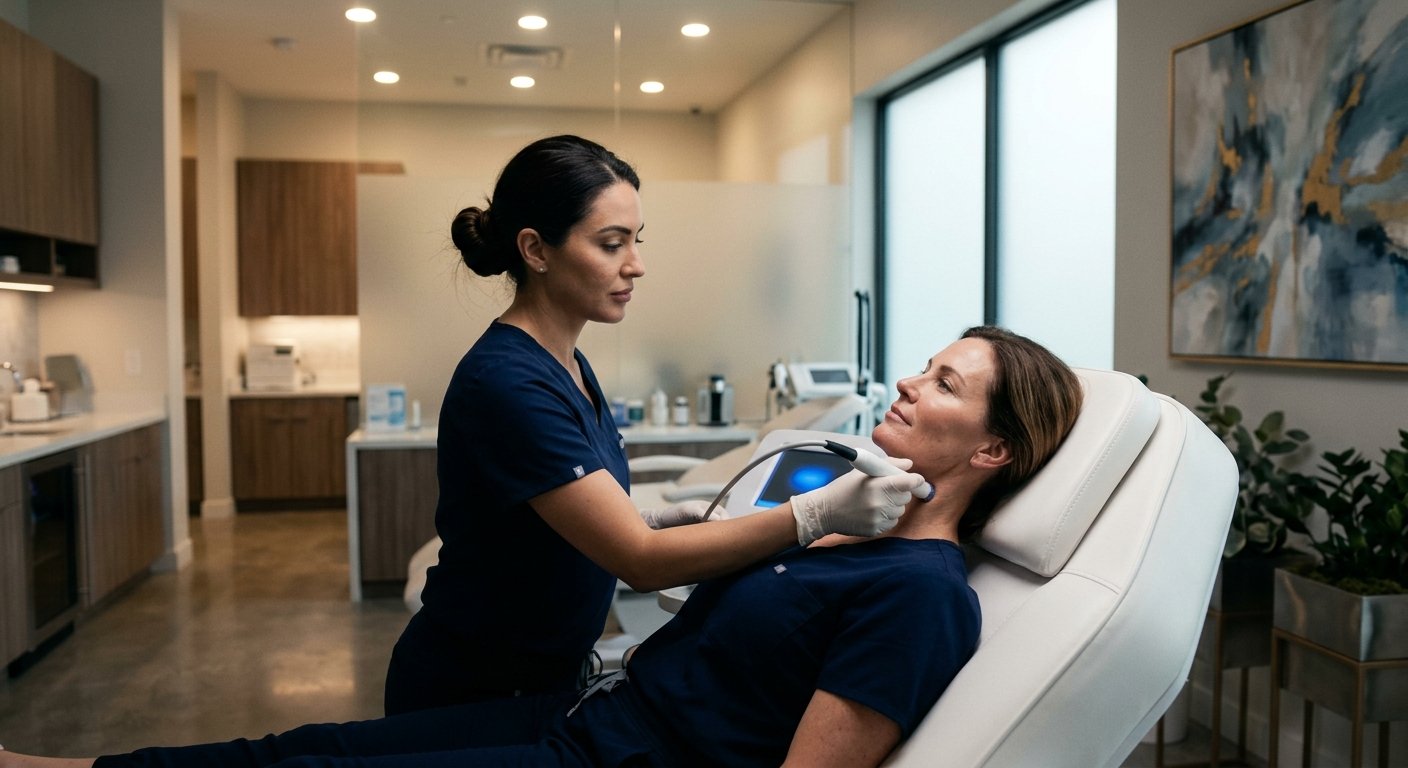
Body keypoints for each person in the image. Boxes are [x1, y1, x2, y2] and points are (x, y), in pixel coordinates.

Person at [0, 326, 1084, 768]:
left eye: (944, 384)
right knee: (299, 751)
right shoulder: (855, 527)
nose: (906, 382)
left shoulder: (922, 593)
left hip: (603, 762)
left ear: (992, 448)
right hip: (579, 718)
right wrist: (793, 520)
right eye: (924, 364)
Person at [385, 135, 925, 715]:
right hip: (473, 689)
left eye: (635, 241)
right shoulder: (509, 382)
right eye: (611, 244)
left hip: (542, 675)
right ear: (536, 250)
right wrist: (816, 514)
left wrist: (653, 518)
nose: (636, 265)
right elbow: (639, 562)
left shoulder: (567, 364)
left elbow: (548, 513)